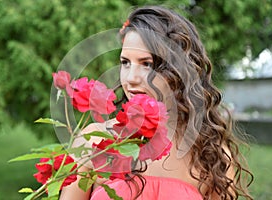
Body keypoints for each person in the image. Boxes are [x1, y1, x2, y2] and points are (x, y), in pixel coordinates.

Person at [60, 5, 253, 200]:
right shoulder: (93, 140)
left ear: (178, 72)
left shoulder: (210, 155)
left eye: (147, 64)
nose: (131, 78)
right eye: (125, 62)